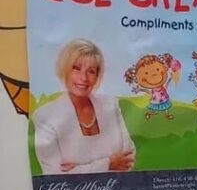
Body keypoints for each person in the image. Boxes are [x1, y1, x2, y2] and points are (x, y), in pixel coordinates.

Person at [33, 39, 135, 174]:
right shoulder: (45, 116)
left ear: (97, 76)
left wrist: (78, 169)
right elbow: (55, 176)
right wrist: (108, 164)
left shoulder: (111, 104)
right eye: (76, 68)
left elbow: (128, 159)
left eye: (91, 71)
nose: (84, 78)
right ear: (65, 70)